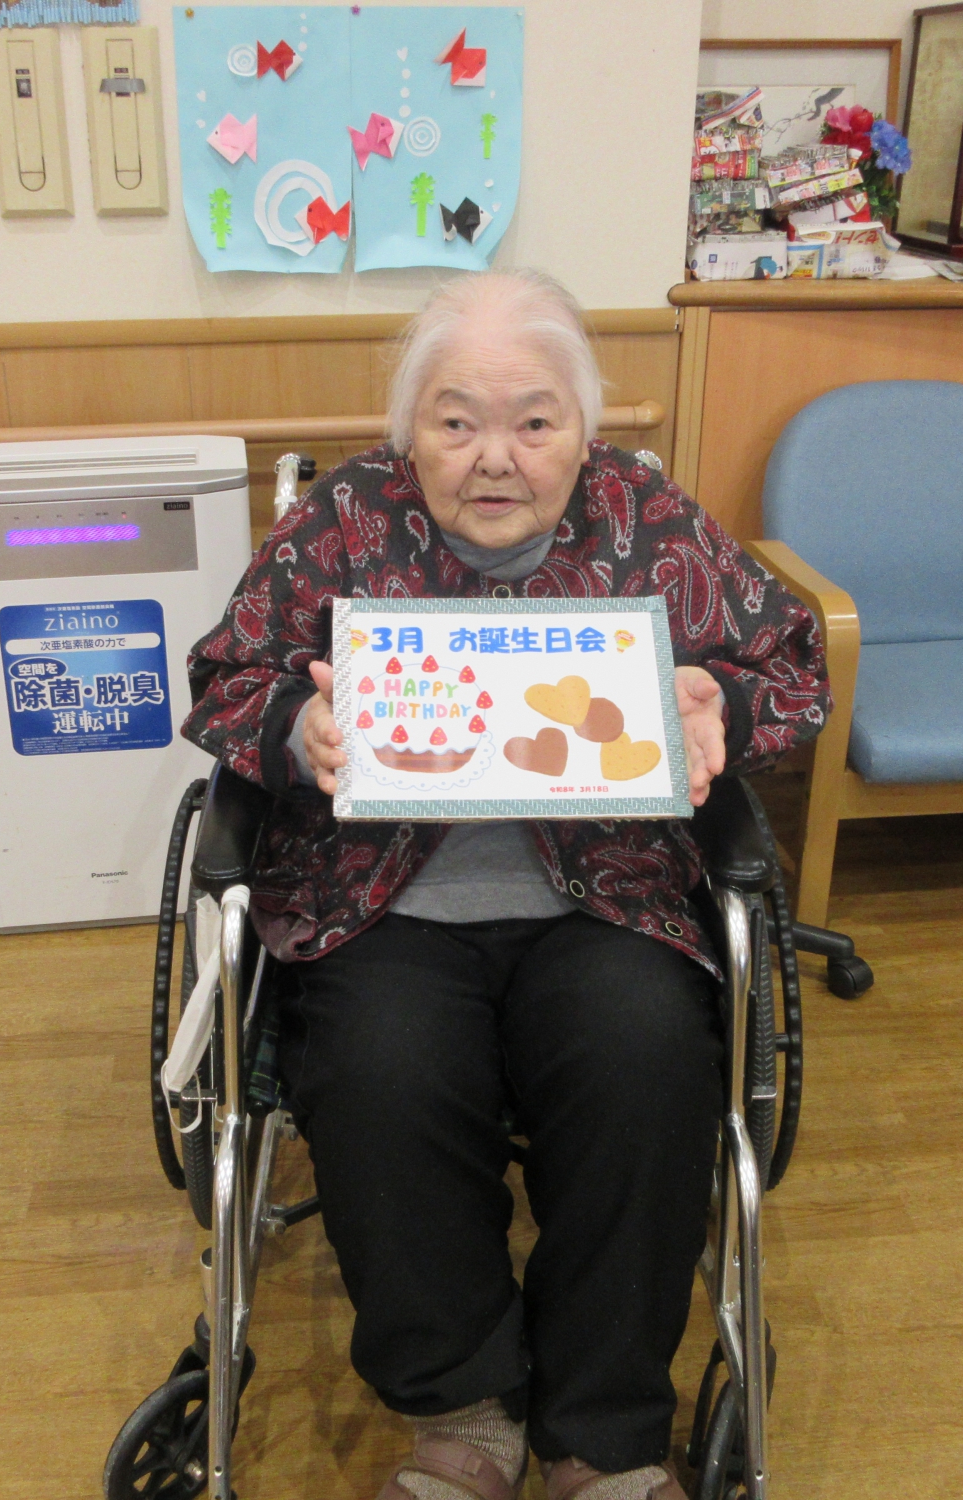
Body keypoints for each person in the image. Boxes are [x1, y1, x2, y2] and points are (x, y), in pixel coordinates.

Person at [179, 269, 828, 1500]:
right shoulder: (344, 522)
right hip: (379, 900)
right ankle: (463, 1410)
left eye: (533, 422)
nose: (494, 457)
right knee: (379, 1069)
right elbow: (224, 676)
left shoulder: (644, 520)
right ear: (407, 432)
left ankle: (600, 1428)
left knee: (645, 1058)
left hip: (608, 896)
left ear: (584, 431)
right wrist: (293, 733)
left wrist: (720, 711)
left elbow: (791, 665)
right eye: (455, 420)